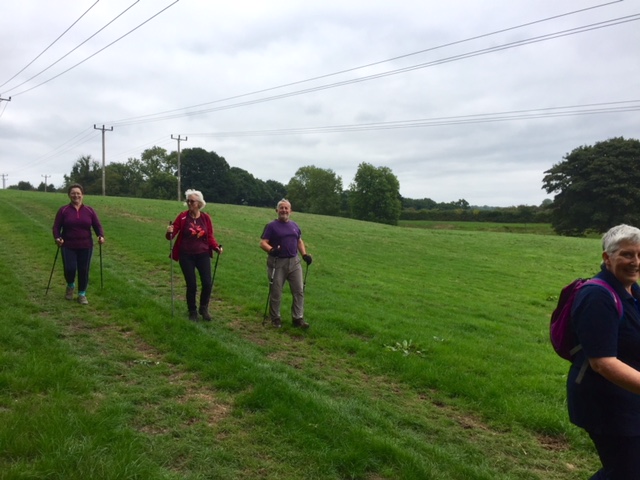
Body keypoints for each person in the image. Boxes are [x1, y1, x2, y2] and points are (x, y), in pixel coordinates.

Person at [568, 224, 640, 479]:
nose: (635, 262)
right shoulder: (597, 296)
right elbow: (603, 362)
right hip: (607, 405)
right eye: (627, 254)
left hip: (630, 399)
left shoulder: (632, 291)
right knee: (627, 472)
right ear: (607, 258)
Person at [166, 189, 222, 321]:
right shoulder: (182, 217)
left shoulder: (205, 218)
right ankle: (192, 311)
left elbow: (210, 236)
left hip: (202, 254)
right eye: (188, 201)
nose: (189, 203)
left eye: (192, 201)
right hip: (186, 255)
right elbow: (171, 236)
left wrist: (216, 247)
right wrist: (169, 231)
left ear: (199, 203)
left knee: (207, 283)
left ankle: (203, 308)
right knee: (192, 284)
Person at [260, 199, 312, 329]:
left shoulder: (295, 225)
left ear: (291, 211)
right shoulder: (271, 226)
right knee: (276, 291)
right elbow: (263, 243)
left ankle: (298, 318)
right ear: (277, 210)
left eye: (286, 208)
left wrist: (304, 255)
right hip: (277, 262)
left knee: (299, 291)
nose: (284, 210)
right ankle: (275, 318)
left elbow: (299, 241)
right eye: (281, 208)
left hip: (294, 261)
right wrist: (272, 250)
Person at [52, 184, 105, 305]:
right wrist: (57, 237)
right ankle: (70, 285)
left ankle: (82, 294)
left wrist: (100, 235)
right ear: (69, 195)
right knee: (69, 269)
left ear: (82, 195)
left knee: (83, 270)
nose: (76, 195)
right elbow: (56, 227)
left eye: (78, 193)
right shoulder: (63, 210)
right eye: (73, 193)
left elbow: (97, 225)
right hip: (68, 245)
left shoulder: (89, 211)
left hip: (86, 245)